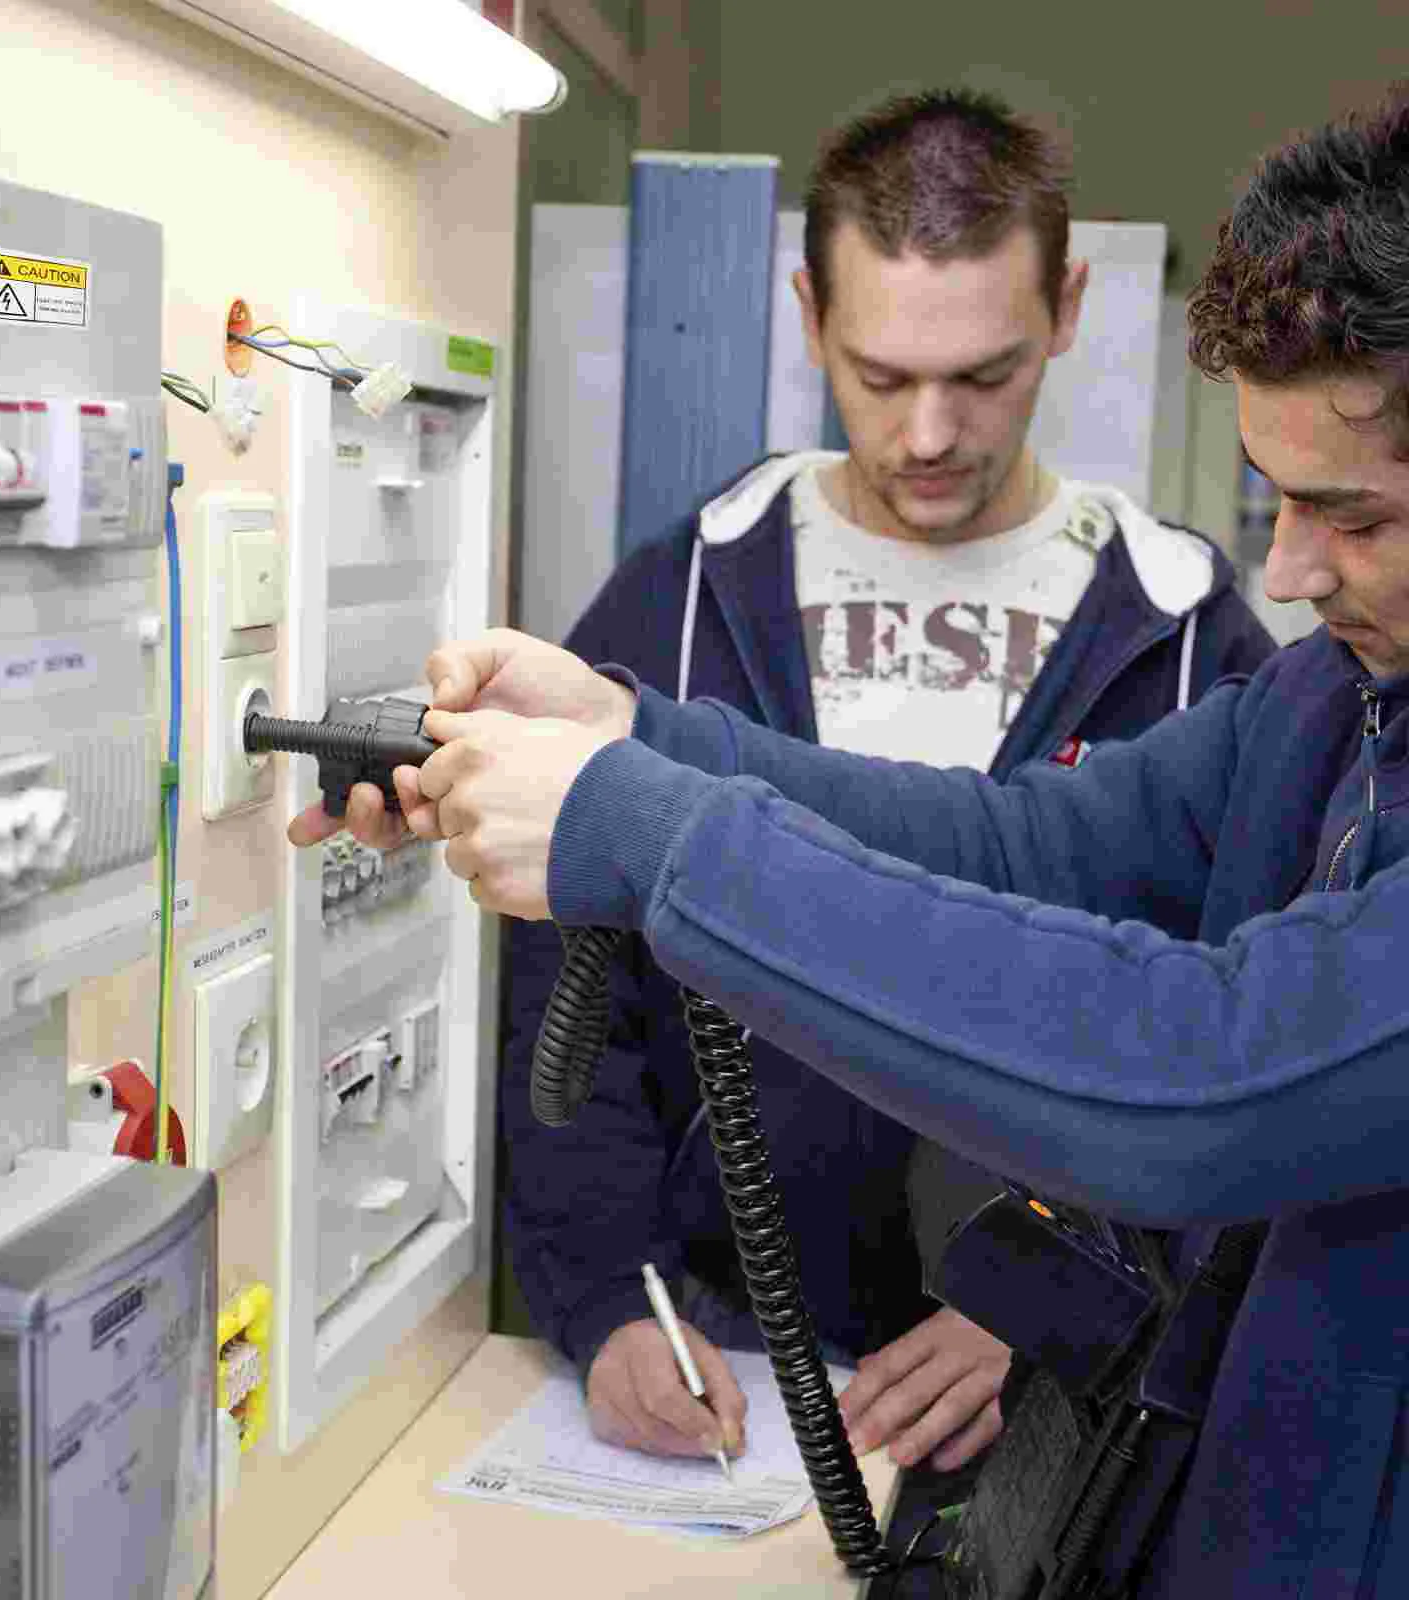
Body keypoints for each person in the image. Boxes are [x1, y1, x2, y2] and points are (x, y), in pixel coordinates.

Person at [292, 90, 1409, 1594]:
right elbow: (1024, 845)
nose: (1285, 569)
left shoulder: (1225, 630)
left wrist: (657, 832)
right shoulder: (1330, 699)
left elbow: (1195, 1075)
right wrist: (634, 737)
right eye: (1279, 503)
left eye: (1357, 517)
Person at [499, 87, 1272, 1492]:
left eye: (984, 376)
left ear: (1069, 307)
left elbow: (1244, 1037)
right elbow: (560, 989)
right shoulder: (675, 606)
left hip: (1055, 1406)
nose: (927, 433)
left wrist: (1059, 1289)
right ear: (807, 314)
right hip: (732, 1367)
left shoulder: (1184, 632)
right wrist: (608, 1295)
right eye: (877, 373)